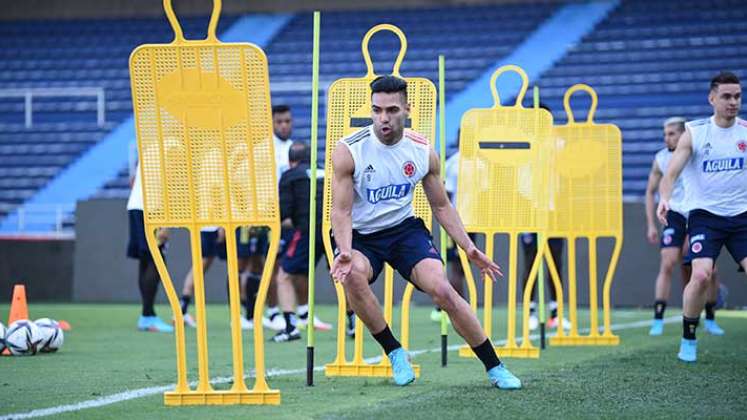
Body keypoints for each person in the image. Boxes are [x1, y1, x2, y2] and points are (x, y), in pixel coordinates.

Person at [329, 75, 521, 389]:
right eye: (376, 110)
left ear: (407, 108)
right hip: (362, 236)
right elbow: (341, 211)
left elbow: (442, 206)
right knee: (352, 277)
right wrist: (346, 251)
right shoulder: (350, 150)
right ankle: (394, 351)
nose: (383, 118)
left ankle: (495, 367)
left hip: (405, 232)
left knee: (443, 291)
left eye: (391, 110)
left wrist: (468, 248)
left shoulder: (422, 151)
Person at [657, 71, 746, 362]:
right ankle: (689, 337)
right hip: (705, 216)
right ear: (712, 98)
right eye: (726, 96)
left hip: (741, 216)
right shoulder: (695, 133)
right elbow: (670, 174)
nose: (733, 102)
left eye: (737, 96)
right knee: (701, 274)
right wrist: (666, 198)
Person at [645, 117, 725, 336]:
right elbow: (650, 191)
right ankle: (658, 318)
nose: (667, 138)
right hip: (674, 214)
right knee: (668, 262)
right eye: (665, 134)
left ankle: (709, 317)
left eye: (671, 133)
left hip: (698, 214)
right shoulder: (661, 158)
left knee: (708, 271)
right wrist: (651, 224)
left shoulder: (698, 153)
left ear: (683, 134)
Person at [272, 142, 333, 342]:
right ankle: (352, 324)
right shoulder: (326, 173)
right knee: (341, 277)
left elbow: (285, 214)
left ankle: (290, 327)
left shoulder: (290, 175)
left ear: (291, 161)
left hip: (305, 231)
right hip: (332, 230)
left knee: (284, 276)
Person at [126, 159, 173, 333]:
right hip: (150, 208)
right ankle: (147, 315)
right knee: (156, 260)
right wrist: (165, 222)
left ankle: (148, 315)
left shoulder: (149, 145)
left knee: (146, 260)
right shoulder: (172, 145)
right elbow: (170, 182)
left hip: (136, 205)